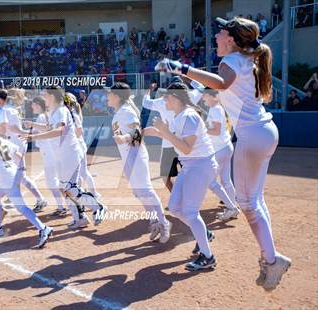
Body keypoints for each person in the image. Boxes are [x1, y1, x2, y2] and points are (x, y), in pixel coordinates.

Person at [155, 16, 291, 290]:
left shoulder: (230, 62)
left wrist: (181, 67)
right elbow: (215, 87)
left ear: (231, 39)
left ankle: (272, 259)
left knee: (249, 204)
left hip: (252, 136)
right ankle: (271, 258)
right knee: (255, 201)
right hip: (265, 132)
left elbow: (221, 83)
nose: (216, 36)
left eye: (220, 32)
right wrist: (188, 78)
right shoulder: (248, 59)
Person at [145, 82, 219, 270]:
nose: (163, 100)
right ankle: (204, 233)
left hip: (201, 165)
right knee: (176, 208)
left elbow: (186, 147)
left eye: (166, 97)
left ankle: (208, 256)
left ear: (176, 98)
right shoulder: (179, 116)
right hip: (190, 165)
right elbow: (173, 139)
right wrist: (154, 132)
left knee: (191, 212)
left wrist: (165, 131)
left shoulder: (189, 116)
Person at [24, 86, 107, 229]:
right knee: (64, 187)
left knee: (70, 187)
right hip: (63, 155)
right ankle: (80, 218)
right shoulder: (54, 111)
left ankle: (98, 207)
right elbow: (49, 128)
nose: (43, 97)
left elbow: (59, 130)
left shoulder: (61, 110)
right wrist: (33, 126)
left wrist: (33, 136)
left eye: (45, 94)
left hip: (70, 153)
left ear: (52, 96)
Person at [106, 82, 171, 244]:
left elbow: (137, 132)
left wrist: (124, 138)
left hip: (136, 155)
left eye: (110, 93)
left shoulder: (126, 111)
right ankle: (154, 221)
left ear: (117, 96)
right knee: (139, 191)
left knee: (146, 190)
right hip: (128, 156)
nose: (107, 96)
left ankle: (164, 223)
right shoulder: (119, 112)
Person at [0, 118, 53, 248]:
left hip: (7, 179)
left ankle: (43, 228)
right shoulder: (3, 141)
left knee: (21, 207)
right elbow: (19, 155)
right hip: (12, 174)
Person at [0, 88, 48, 210]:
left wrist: (0, 138)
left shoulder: (5, 110)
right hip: (18, 143)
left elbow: (5, 127)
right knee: (15, 174)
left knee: (18, 175)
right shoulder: (12, 109)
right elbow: (10, 127)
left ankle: (39, 199)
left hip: (14, 144)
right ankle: (15, 197)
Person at [24, 96, 67, 216]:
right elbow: (35, 132)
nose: (31, 106)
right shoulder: (44, 116)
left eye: (33, 104)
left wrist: (30, 126)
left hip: (49, 153)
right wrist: (22, 133)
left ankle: (62, 207)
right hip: (50, 152)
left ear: (38, 104)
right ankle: (66, 205)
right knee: (58, 181)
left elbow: (44, 129)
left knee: (52, 182)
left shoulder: (43, 116)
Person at [202, 88, 240, 221]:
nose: (203, 98)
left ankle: (231, 207)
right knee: (225, 180)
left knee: (210, 181)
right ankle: (232, 207)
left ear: (213, 96)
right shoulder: (216, 109)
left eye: (205, 95)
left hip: (220, 149)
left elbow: (216, 131)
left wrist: (201, 128)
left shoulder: (216, 109)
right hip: (225, 147)